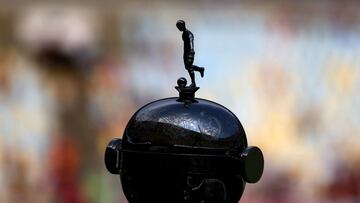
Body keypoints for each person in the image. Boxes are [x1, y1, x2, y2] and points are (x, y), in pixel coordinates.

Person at [176, 20, 205, 87]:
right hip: (186, 52)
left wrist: (192, 51)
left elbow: (191, 42)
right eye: (178, 27)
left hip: (189, 52)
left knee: (189, 67)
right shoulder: (183, 34)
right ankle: (200, 69)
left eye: (179, 27)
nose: (179, 28)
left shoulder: (189, 34)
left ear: (183, 25)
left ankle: (193, 83)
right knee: (187, 67)